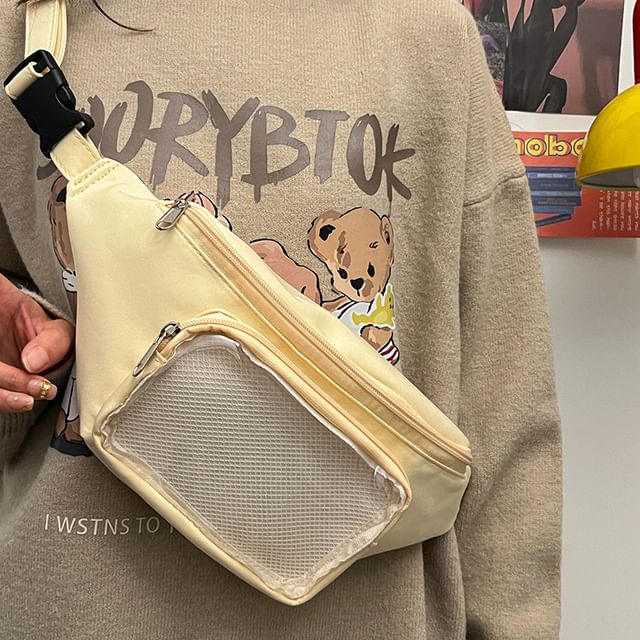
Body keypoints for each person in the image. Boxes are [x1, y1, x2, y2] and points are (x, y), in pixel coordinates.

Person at [0, 0, 562, 638]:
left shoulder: (429, 36)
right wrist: (24, 353)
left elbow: (506, 401)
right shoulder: (25, 28)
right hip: (68, 603)